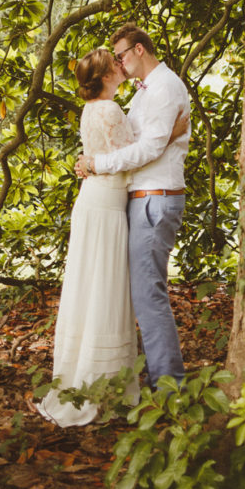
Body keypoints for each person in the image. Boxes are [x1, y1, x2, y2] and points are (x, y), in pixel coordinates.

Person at [76, 23, 191, 387]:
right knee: (139, 292)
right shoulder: (144, 92)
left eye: (122, 55)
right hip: (141, 198)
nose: (120, 64)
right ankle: (159, 379)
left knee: (147, 294)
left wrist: (96, 163)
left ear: (139, 49)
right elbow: (139, 141)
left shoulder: (165, 87)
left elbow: (147, 149)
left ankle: (169, 386)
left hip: (155, 199)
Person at [36, 47, 138, 427]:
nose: (119, 63)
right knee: (105, 288)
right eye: (113, 62)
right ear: (105, 74)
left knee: (92, 286)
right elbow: (134, 157)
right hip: (107, 203)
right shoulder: (109, 110)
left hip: (94, 200)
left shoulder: (90, 110)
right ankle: (103, 384)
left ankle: (87, 379)